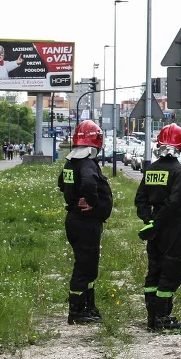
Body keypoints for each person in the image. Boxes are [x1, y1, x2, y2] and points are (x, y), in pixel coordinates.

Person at [134, 123, 181, 332]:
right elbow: (175, 202)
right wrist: (157, 222)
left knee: (154, 270)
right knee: (171, 271)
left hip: (154, 228)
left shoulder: (150, 170)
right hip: (171, 226)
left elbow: (140, 199)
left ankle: (152, 318)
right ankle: (162, 318)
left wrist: (148, 221)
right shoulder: (179, 171)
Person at [57, 120, 112, 325]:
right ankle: (78, 311)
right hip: (86, 222)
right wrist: (92, 203)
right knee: (84, 267)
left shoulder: (70, 163)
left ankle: (88, 306)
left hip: (74, 219)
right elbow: (89, 183)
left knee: (88, 266)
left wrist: (74, 198)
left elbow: (61, 183)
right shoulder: (88, 164)